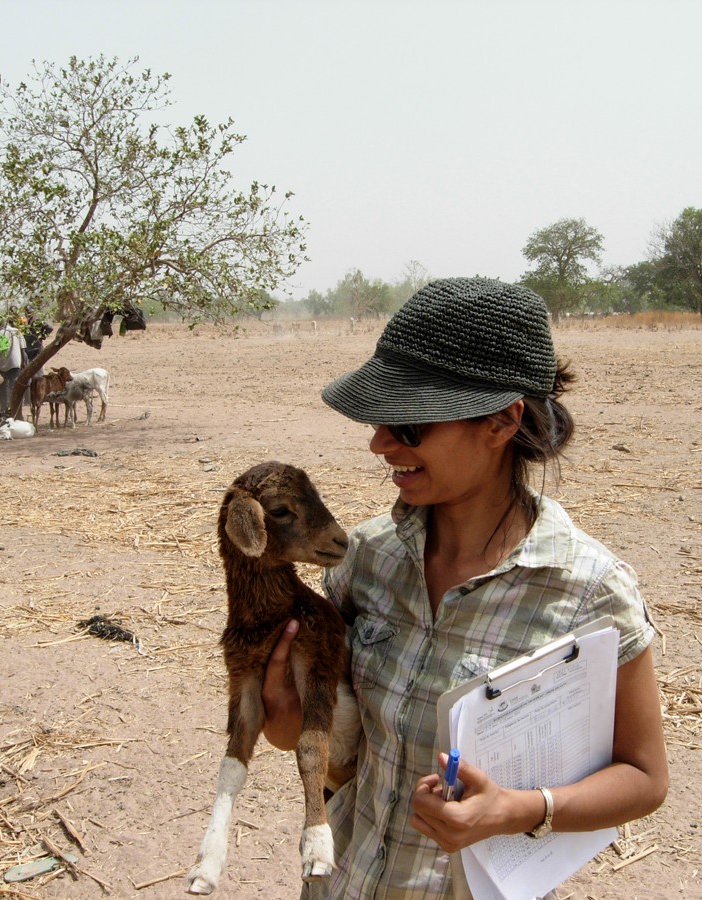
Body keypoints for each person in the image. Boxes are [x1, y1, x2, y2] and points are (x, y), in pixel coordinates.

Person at [261, 278, 668, 898]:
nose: (379, 442)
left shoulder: (587, 591)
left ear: (502, 421)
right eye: (377, 419)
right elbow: (340, 754)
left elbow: (643, 777)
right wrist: (288, 721)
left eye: (407, 423)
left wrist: (521, 809)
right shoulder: (363, 560)